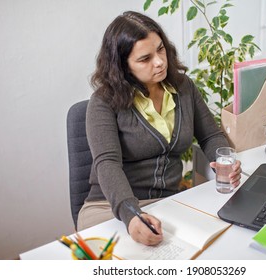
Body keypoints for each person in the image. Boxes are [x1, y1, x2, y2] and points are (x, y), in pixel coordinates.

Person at [78, 11, 242, 246]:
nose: (159, 61)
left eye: (161, 49)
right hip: (111, 207)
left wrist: (226, 161)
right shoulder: (103, 101)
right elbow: (107, 164)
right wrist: (131, 214)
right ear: (122, 66)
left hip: (168, 204)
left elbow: (211, 136)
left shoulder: (184, 87)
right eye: (145, 59)